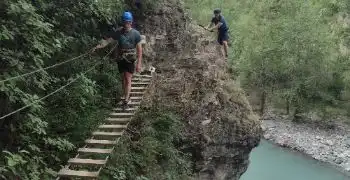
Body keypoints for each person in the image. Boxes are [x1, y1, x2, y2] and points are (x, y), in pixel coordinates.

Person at [92, 11, 142, 109]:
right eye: (124, 22)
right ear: (122, 22)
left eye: (128, 22)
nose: (126, 24)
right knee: (123, 79)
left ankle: (126, 101)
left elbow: (140, 49)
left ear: (131, 22)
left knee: (128, 78)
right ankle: (126, 96)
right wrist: (97, 47)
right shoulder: (119, 32)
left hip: (130, 58)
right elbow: (108, 40)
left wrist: (139, 63)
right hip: (120, 58)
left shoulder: (136, 34)